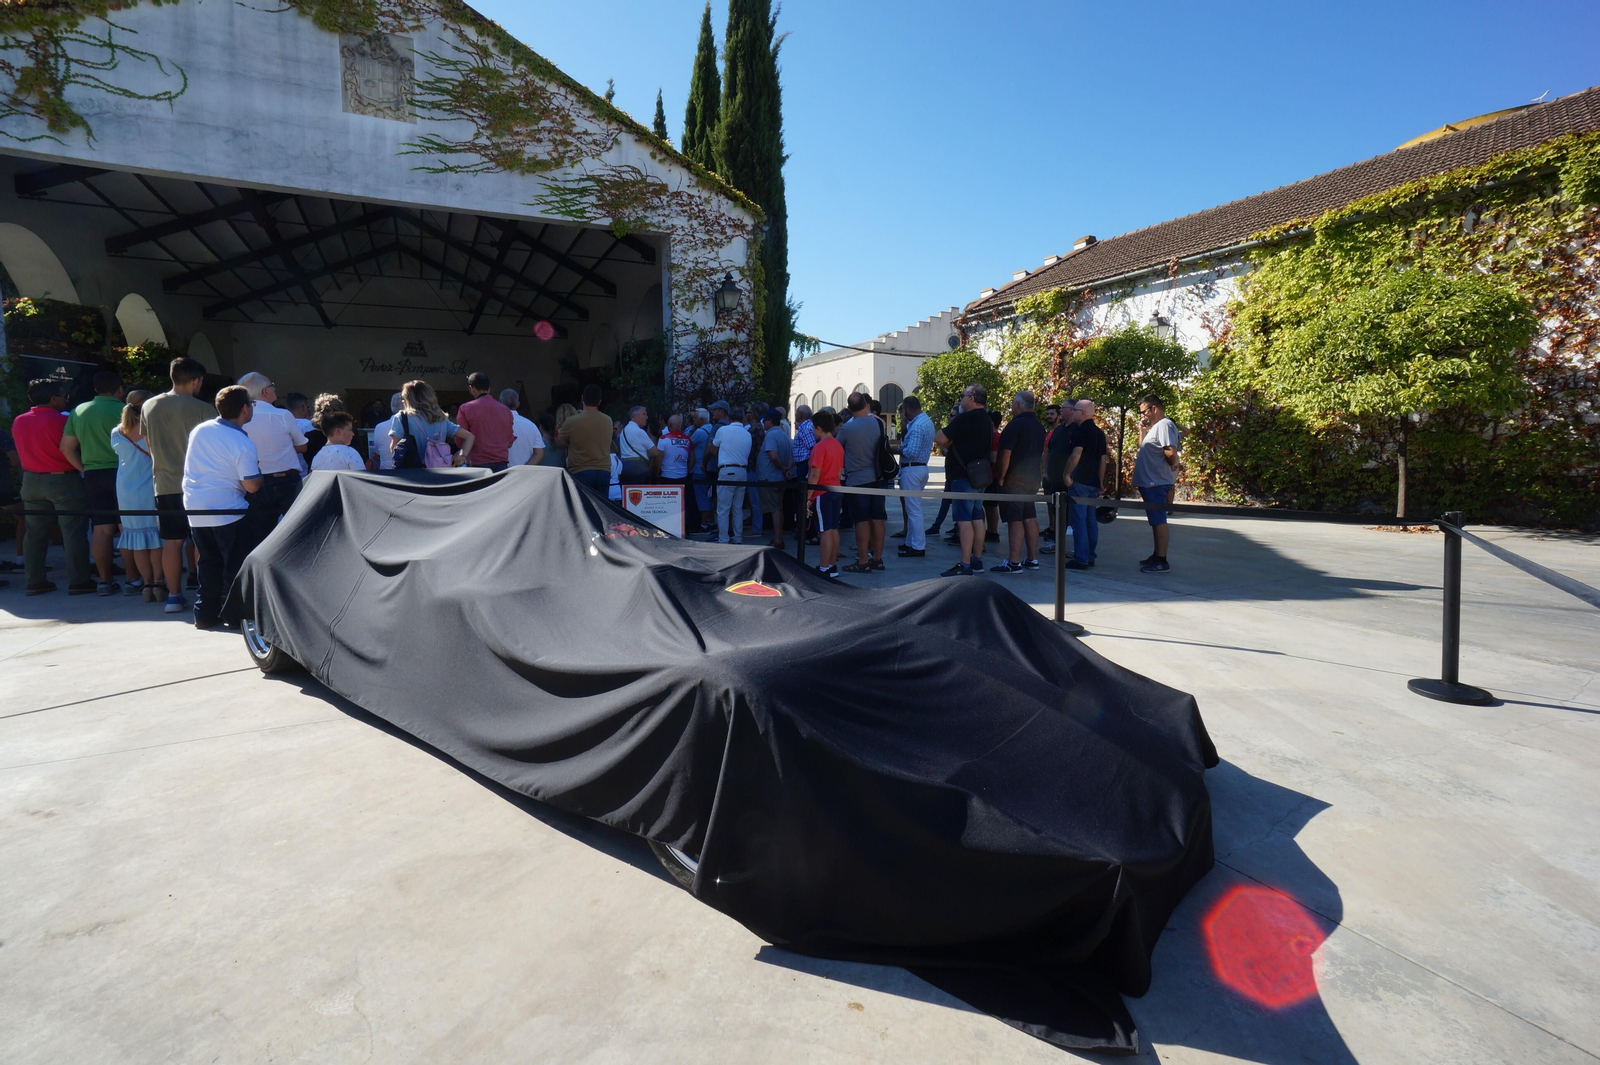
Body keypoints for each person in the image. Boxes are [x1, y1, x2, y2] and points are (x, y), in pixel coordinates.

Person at [183, 385, 262, 629]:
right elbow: (251, 486)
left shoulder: (200, 429)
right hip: (228, 508)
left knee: (207, 562)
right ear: (245, 408)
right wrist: (260, 477)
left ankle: (204, 614)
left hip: (195, 506)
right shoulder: (241, 441)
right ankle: (234, 614)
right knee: (234, 566)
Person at [141, 357, 213, 613]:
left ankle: (173, 595)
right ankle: (206, 594)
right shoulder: (204, 409)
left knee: (172, 541)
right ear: (195, 380)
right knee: (201, 540)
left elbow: (149, 446)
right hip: (199, 483)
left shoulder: (149, 406)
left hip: (164, 482)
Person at [13, 378, 93, 596]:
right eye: (63, 396)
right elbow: (72, 448)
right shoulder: (62, 421)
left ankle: (34, 581)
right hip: (62, 479)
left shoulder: (19, 420)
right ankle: (79, 580)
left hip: (30, 480)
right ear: (53, 398)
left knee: (34, 533)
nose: (66, 400)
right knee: (73, 530)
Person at [60, 370, 127, 594]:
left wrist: (84, 470)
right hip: (123, 472)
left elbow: (66, 448)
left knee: (101, 529)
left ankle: (104, 581)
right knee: (126, 526)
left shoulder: (78, 411)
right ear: (120, 389)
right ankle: (135, 579)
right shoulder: (125, 410)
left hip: (93, 474)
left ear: (95, 389)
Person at [934, 383, 993, 577]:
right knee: (977, 518)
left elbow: (940, 438)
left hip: (962, 476)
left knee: (963, 521)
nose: (961, 399)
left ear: (972, 398)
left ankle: (964, 564)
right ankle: (976, 560)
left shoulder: (964, 418)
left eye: (963, 395)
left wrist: (950, 437)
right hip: (979, 477)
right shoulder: (986, 419)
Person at [109, 390, 161, 601]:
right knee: (155, 539)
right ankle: (158, 583)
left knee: (137, 538)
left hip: (125, 489)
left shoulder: (116, 432)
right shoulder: (153, 429)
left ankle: (147, 585)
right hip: (150, 485)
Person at [237, 372, 307, 525]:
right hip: (286, 480)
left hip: (254, 480)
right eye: (272, 386)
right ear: (265, 391)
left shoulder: (239, 417)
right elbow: (302, 446)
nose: (274, 389)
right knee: (295, 528)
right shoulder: (282, 414)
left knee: (261, 534)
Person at [990, 391, 1046, 574]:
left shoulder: (1015, 425)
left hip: (1014, 479)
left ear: (1017, 405)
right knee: (1029, 516)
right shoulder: (1039, 426)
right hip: (1032, 478)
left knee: (1014, 519)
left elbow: (1005, 454)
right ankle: (1031, 558)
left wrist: (1002, 476)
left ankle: (1014, 562)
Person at [834, 392, 888, 573]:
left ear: (848, 409)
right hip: (879, 476)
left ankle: (863, 561)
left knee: (861, 521)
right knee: (878, 518)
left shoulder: (847, 429)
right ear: (866, 404)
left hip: (857, 480)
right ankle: (878, 559)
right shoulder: (878, 423)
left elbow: (837, 448)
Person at [1133, 394, 1181, 573]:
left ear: (1154, 408)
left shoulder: (1165, 425)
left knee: (1159, 520)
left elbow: (1170, 450)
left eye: (1144, 412)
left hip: (1156, 482)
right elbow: (1144, 447)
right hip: (1151, 482)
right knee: (1155, 520)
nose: (1142, 416)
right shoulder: (1156, 427)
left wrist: (1171, 466)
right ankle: (1156, 555)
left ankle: (1161, 560)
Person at [1060, 399, 1110, 570]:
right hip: (1093, 482)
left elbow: (1076, 454)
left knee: (1078, 520)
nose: (1072, 413)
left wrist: (1067, 474)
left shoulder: (1080, 432)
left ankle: (1081, 558)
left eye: (1074, 410)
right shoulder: (1099, 433)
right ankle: (1089, 555)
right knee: (1090, 520)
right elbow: (1103, 460)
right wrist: (1100, 482)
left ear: (1082, 413)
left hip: (1079, 481)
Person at [388, 380, 474, 469]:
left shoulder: (402, 418)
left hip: (413, 472)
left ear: (408, 399)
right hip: (440, 471)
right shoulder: (441, 419)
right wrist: (462, 456)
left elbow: (394, 448)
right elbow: (469, 436)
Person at [704, 400, 753, 544]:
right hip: (742, 471)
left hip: (727, 470)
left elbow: (712, 449)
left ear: (729, 418)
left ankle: (723, 538)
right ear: (742, 418)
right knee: (737, 508)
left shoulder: (723, 430)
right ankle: (738, 537)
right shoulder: (746, 434)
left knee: (723, 508)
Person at [556, 384, 613, 495]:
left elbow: (560, 442)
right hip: (604, 470)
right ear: (599, 401)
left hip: (580, 470)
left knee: (583, 508)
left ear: (582, 398)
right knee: (601, 509)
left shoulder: (572, 421)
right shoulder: (608, 420)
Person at [806, 410, 844, 577]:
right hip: (836, 489)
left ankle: (823, 567)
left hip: (822, 491)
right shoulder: (837, 445)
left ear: (818, 428)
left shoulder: (819, 447)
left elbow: (815, 474)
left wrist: (807, 497)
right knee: (833, 528)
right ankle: (832, 565)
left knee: (825, 531)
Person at [896, 397, 933, 559]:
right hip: (919, 468)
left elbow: (911, 452)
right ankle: (911, 542)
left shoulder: (917, 425)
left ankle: (918, 546)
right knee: (913, 509)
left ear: (907, 409)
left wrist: (897, 449)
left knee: (913, 510)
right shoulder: (925, 421)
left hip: (912, 469)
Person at [457, 373, 514, 470]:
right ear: (489, 389)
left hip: (476, 466)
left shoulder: (465, 408)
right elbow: (509, 443)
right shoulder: (505, 410)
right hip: (501, 467)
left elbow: (460, 441)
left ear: (471, 388)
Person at [756, 408, 793, 549]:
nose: (764, 423)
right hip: (778, 477)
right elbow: (790, 455)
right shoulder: (783, 435)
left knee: (775, 509)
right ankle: (779, 537)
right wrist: (787, 469)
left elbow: (773, 456)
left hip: (770, 478)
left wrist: (783, 469)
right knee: (778, 508)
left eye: (765, 420)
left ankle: (777, 539)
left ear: (770, 421)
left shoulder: (771, 436)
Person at [500, 388, 546, 467]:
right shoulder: (531, 425)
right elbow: (539, 454)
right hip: (525, 475)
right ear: (518, 404)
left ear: (500, 403)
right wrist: (524, 469)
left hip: (501, 473)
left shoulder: (495, 424)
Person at [618, 405, 659, 484]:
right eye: (644, 414)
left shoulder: (623, 431)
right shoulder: (639, 431)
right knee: (640, 494)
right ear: (636, 416)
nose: (646, 417)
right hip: (639, 468)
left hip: (624, 467)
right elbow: (655, 452)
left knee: (627, 494)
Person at [688, 407, 715, 529]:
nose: (693, 420)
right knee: (709, 496)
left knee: (701, 497)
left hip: (699, 469)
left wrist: (691, 430)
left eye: (695, 418)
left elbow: (687, 444)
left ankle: (703, 525)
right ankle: (711, 521)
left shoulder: (699, 432)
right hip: (710, 469)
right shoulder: (712, 429)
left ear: (701, 420)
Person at [285, 392, 314, 474]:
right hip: (308, 473)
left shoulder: (281, 425)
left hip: (288, 473)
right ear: (303, 407)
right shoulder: (312, 426)